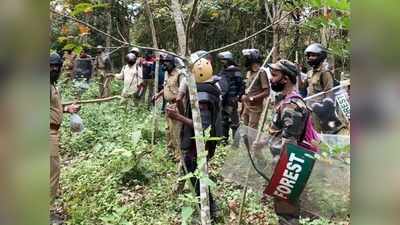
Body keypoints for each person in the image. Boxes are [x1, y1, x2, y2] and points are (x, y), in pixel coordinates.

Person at [254, 59, 319, 225]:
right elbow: (277, 131)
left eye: (275, 75)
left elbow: (289, 147)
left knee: (287, 214)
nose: (270, 78)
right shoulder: (284, 101)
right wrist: (262, 142)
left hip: (289, 167)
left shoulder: (291, 106)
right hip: (283, 163)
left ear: (286, 79)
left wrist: (279, 175)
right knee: (283, 211)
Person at [165, 55, 222, 222]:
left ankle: (209, 212)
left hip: (198, 144)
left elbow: (202, 127)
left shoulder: (203, 94)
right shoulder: (205, 87)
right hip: (198, 143)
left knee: (198, 177)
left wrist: (177, 116)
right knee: (195, 174)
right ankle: (209, 209)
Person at [50, 52, 80, 221]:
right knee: (51, 174)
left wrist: (67, 109)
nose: (54, 69)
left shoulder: (51, 85)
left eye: (57, 66)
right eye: (51, 66)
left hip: (52, 132)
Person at [153, 53, 185, 162]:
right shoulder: (167, 74)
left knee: (176, 131)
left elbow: (183, 91)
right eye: (164, 62)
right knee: (168, 130)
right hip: (168, 106)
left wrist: (178, 106)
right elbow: (166, 88)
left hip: (175, 106)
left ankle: (178, 156)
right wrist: (158, 95)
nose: (164, 64)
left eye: (167, 62)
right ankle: (170, 151)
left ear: (172, 64)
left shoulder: (179, 75)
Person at [216, 51, 245, 144]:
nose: (222, 62)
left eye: (224, 60)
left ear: (229, 60)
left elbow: (241, 86)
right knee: (224, 121)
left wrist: (237, 96)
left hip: (232, 100)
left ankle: (236, 142)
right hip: (223, 99)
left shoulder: (236, 71)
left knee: (234, 122)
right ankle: (224, 141)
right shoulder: (223, 71)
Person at [240, 48, 270, 129]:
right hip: (246, 106)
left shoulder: (261, 73)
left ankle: (252, 142)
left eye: (247, 58)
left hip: (255, 107)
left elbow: (267, 92)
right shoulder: (249, 73)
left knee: (251, 130)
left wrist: (253, 98)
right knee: (245, 130)